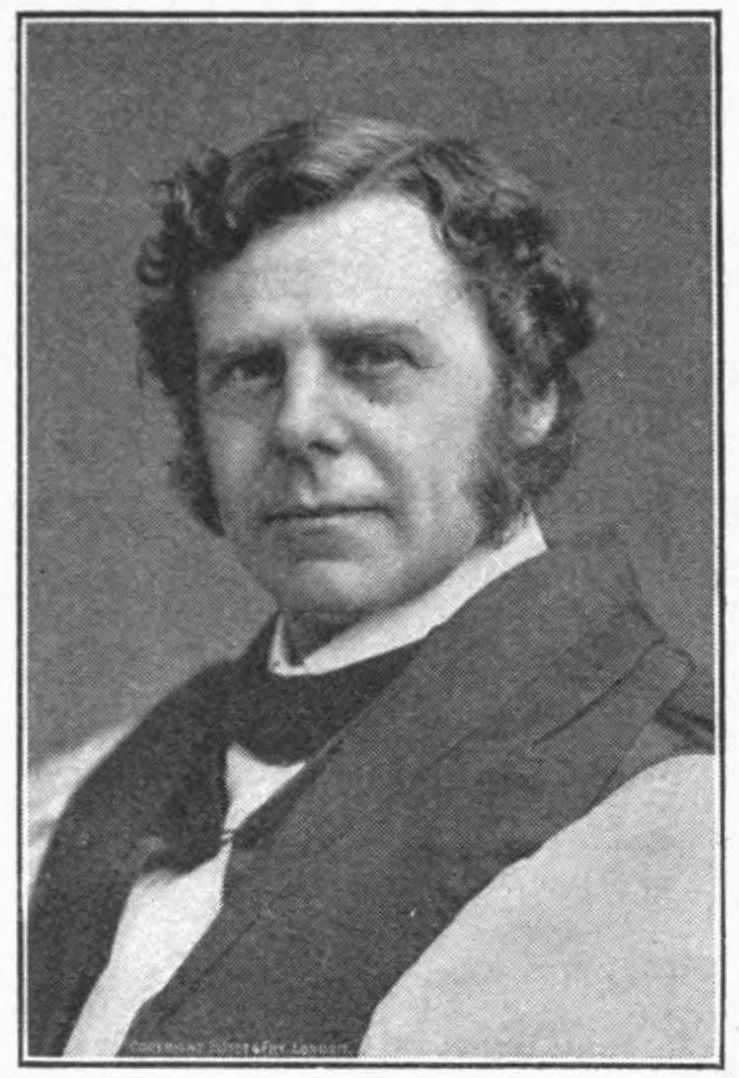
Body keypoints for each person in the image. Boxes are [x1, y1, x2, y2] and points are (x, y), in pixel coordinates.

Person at [27, 115, 716, 1061]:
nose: (298, 424)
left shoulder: (674, 819)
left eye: (372, 359)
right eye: (248, 370)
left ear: (527, 394)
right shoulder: (88, 792)